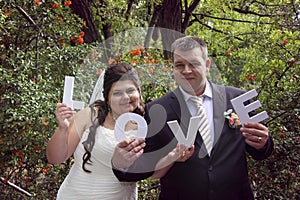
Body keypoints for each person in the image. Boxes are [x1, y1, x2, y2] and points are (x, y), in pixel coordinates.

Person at [112, 36, 274, 200]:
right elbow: (143, 164)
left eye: (194, 64)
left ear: (207, 65)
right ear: (173, 68)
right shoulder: (155, 109)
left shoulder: (236, 98)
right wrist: (120, 162)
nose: (186, 70)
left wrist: (263, 144)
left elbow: (260, 152)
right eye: (180, 65)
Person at [46, 63, 146, 200]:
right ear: (107, 96)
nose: (125, 97)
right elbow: (55, 158)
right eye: (117, 93)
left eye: (130, 91)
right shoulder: (89, 116)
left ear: (138, 92)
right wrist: (62, 129)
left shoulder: (145, 124)